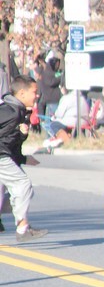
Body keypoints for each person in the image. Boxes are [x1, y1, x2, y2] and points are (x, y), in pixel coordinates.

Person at [0, 75, 48, 243]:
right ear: (21, 93)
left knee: (20, 191)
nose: (37, 95)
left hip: (5, 155)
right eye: (34, 92)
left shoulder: (19, 112)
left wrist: (23, 157)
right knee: (23, 185)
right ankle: (22, 228)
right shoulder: (9, 112)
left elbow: (10, 141)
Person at [43, 85, 88, 150]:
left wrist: (54, 116)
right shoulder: (82, 98)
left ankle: (65, 140)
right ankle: (67, 137)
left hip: (74, 121)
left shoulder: (67, 98)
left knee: (54, 125)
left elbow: (59, 114)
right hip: (84, 121)